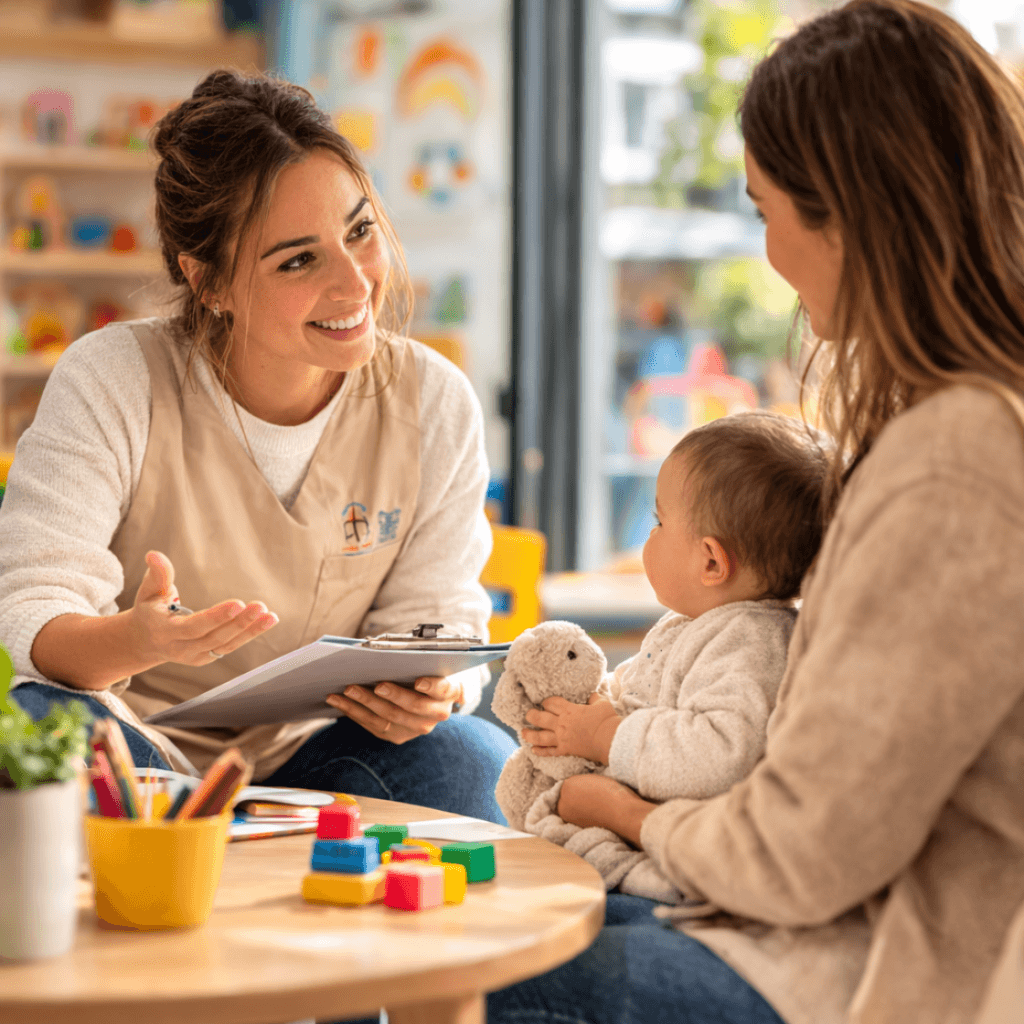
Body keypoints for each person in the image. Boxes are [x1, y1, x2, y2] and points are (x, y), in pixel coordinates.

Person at [488, 1, 1024, 1022]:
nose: (768, 250)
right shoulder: (955, 426)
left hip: (864, 971)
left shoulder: (953, 463)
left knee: (479, 966)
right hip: (813, 928)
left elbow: (802, 852)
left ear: (850, 215)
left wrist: (630, 814)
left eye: (765, 208)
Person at [0, 69, 515, 823]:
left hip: (322, 752)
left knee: (474, 761)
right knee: (39, 730)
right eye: (299, 260)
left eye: (360, 231)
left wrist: (438, 690)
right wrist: (137, 640)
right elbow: (28, 614)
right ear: (208, 282)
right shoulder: (113, 377)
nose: (355, 284)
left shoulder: (432, 400)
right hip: (133, 742)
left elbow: (439, 615)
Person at [507, 412, 828, 903]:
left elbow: (722, 753)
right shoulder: (696, 623)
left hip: (664, 858)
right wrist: (594, 701)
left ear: (711, 562)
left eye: (659, 522)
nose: (649, 536)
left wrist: (604, 734)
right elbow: (643, 689)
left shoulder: (751, 641)